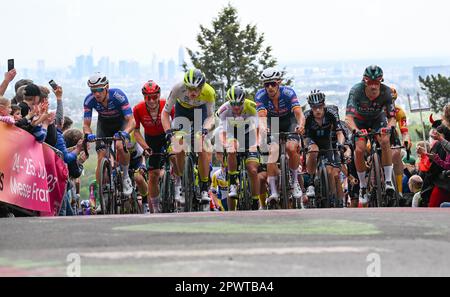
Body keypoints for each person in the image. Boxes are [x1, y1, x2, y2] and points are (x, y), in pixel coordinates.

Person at [161, 68, 216, 204]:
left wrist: (205, 129)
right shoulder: (177, 88)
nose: (193, 92)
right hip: (182, 111)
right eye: (189, 88)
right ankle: (179, 181)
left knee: (201, 145)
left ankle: (204, 187)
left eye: (196, 89)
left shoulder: (209, 92)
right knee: (178, 145)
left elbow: (211, 117)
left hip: (200, 112)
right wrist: (168, 131)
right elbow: (165, 113)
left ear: (202, 87)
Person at [345, 65, 396, 206]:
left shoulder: (386, 92)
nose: (374, 86)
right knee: (359, 149)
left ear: (381, 81)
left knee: (385, 140)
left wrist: (389, 127)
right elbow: (348, 118)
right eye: (370, 82)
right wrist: (355, 130)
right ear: (364, 81)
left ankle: (387, 180)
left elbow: (392, 117)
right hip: (359, 122)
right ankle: (362, 185)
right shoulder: (356, 91)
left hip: (377, 119)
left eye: (377, 82)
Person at [256, 67, 305, 203]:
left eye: (273, 84)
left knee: (291, 147)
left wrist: (301, 125)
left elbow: (299, 113)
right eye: (267, 84)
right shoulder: (260, 95)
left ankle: (295, 182)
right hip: (274, 122)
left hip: (289, 121)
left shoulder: (288, 93)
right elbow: (261, 117)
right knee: (273, 151)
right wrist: (264, 129)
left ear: (279, 83)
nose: (270, 87)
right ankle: (273, 192)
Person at [83, 73, 136, 198]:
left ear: (107, 87)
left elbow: (131, 121)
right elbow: (86, 125)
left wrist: (125, 133)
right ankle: (101, 194)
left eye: (100, 89)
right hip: (104, 125)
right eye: (93, 90)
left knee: (119, 145)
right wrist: (88, 134)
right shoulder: (89, 100)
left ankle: (125, 176)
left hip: (121, 123)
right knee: (101, 157)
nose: (97, 94)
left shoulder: (118, 96)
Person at [214, 85, 260, 211]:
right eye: (233, 104)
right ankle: (233, 183)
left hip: (249, 134)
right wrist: (226, 144)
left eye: (239, 104)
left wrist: (255, 144)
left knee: (253, 170)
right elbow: (222, 132)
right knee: (231, 148)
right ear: (230, 102)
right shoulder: (224, 110)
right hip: (231, 134)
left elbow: (257, 129)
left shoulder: (252, 107)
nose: (236, 107)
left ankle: (256, 201)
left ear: (244, 101)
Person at [133, 80, 174, 213]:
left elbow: (177, 123)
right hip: (151, 140)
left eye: (154, 97)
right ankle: (155, 207)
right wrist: (145, 147)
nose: (151, 101)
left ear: (159, 95)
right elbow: (136, 131)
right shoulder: (138, 109)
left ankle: (178, 180)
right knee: (153, 174)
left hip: (166, 134)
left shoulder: (166, 105)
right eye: (147, 98)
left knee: (174, 154)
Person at [303, 90, 349, 206]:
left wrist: (340, 144)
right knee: (314, 151)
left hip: (326, 141)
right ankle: (311, 183)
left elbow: (339, 132)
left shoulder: (332, 112)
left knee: (329, 171)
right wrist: (305, 147)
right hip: (311, 139)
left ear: (324, 105)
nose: (317, 110)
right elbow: (303, 136)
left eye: (320, 106)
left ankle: (331, 196)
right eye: (314, 107)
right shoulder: (307, 116)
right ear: (311, 107)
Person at [390, 87, 412, 193]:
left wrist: (406, 140)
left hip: (392, 136)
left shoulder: (399, 111)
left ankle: (399, 190)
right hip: (377, 135)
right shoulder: (375, 109)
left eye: (393, 101)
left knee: (397, 155)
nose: (390, 103)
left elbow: (404, 131)